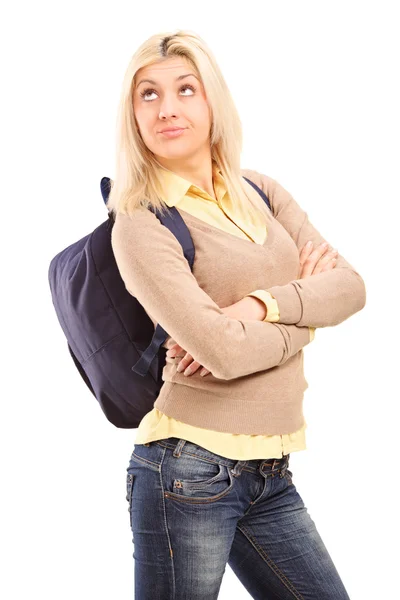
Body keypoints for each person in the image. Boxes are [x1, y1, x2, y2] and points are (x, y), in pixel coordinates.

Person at [108, 29, 366, 599]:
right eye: (147, 94)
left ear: (212, 101)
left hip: (270, 475)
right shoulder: (141, 221)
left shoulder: (263, 193)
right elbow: (221, 351)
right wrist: (307, 312)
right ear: (132, 114)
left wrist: (260, 306)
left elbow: (350, 288)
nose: (167, 108)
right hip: (188, 470)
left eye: (185, 89)